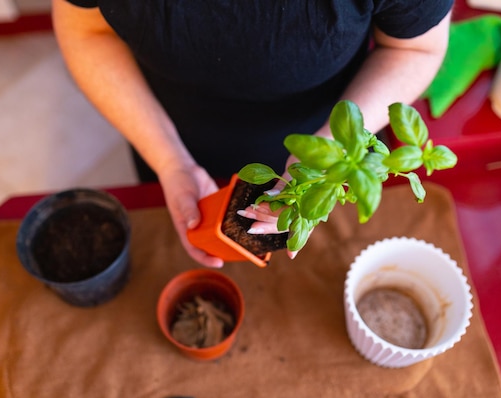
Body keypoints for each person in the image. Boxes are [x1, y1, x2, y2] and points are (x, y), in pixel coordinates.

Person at [51, 0, 453, 268]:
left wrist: (329, 146)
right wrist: (169, 159)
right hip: (162, 125)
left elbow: (414, 48)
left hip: (321, 144)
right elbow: (88, 31)